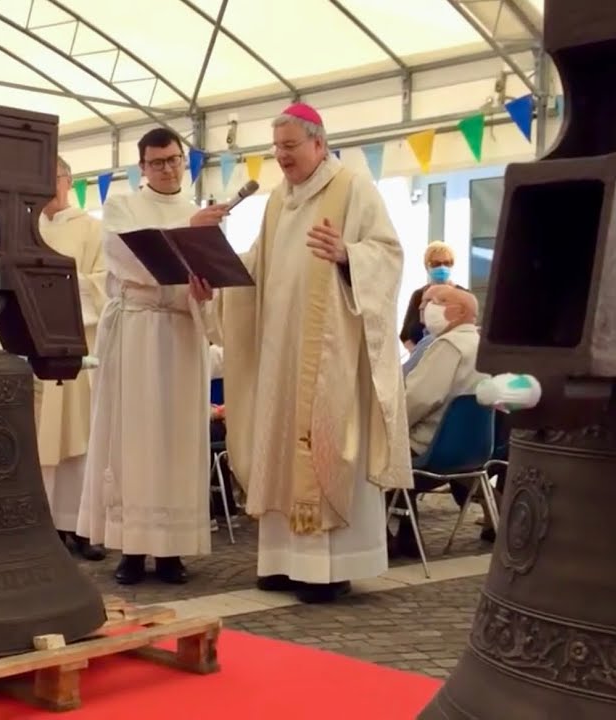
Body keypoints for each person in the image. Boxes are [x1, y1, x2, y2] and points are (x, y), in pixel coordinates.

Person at [214, 103, 413, 604]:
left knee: (324, 447)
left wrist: (349, 255)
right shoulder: (278, 202)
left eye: (290, 147)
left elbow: (389, 253)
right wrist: (213, 270)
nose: (281, 157)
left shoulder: (353, 187)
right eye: (276, 148)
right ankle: (283, 561)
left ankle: (329, 568)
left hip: (332, 354)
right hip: (282, 354)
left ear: (318, 144)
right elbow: (255, 270)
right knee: (280, 450)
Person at [76, 128, 230, 585]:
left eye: (174, 160)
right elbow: (130, 257)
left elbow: (206, 275)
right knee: (133, 438)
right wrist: (191, 234)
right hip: (138, 332)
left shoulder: (197, 213)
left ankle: (171, 552)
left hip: (181, 332)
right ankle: (132, 548)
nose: (168, 168)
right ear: (142, 167)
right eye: (158, 161)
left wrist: (205, 290)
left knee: (178, 439)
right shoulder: (123, 205)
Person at [37, 155, 107, 561]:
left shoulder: (92, 229)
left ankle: (78, 527)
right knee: (38, 442)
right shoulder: (24, 229)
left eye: (51, 179)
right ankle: (43, 527)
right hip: (33, 346)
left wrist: (60, 284)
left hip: (74, 343)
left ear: (67, 181)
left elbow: (104, 284)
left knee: (77, 441)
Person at [392, 285, 488, 557]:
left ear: (461, 312)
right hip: (473, 453)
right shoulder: (482, 345)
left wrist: (384, 426)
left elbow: (417, 399)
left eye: (438, 301)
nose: (427, 308)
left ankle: (393, 535)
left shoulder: (449, 346)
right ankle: (405, 533)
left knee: (369, 453)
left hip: (428, 448)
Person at [399, 242, 460, 351]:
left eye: (447, 263)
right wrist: (418, 354)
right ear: (427, 266)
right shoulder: (418, 296)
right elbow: (405, 335)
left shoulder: (463, 295)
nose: (442, 267)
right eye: (436, 264)